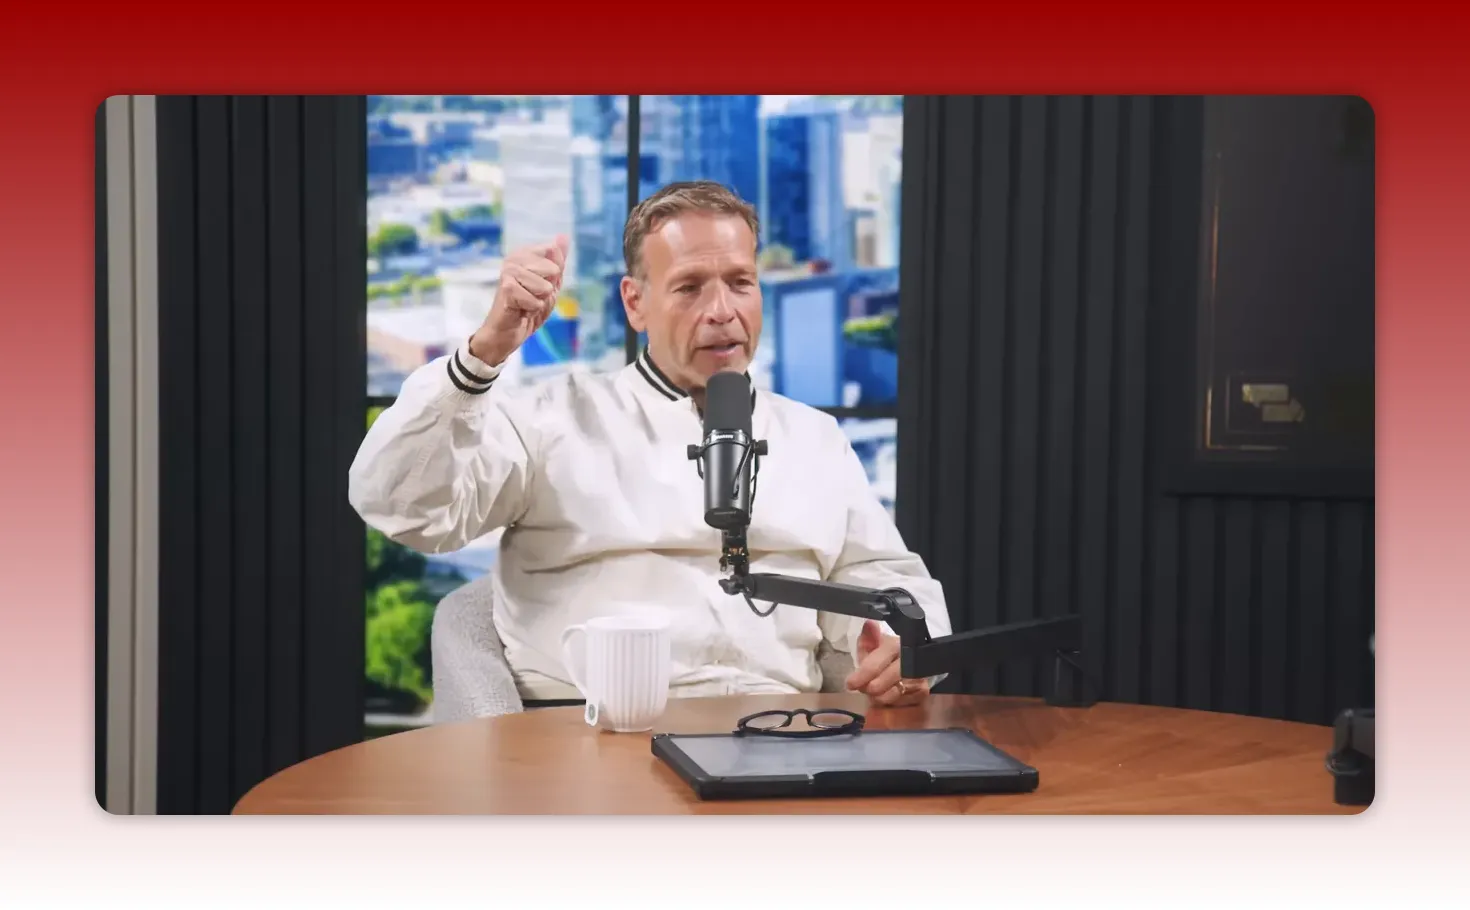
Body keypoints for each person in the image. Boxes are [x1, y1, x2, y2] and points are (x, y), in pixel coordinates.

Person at [349, 180, 952, 708]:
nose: (723, 311)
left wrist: (907, 643)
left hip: (778, 733)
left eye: (740, 282)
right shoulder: (548, 420)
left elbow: (884, 576)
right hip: (587, 742)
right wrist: (482, 356)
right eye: (689, 287)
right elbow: (403, 507)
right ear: (635, 303)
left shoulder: (813, 437)